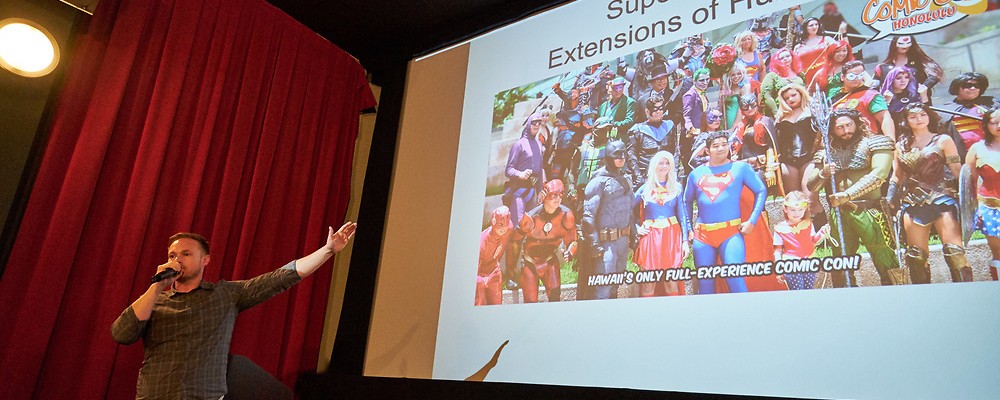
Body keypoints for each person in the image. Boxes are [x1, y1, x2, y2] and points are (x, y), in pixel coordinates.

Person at [112, 223, 357, 399]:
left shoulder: (225, 294)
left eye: (186, 254)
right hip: (156, 395)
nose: (177, 260)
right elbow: (122, 334)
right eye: (172, 255)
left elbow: (281, 277)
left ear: (205, 260)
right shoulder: (154, 300)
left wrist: (327, 251)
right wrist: (156, 287)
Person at [805, 109, 903, 287]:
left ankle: (895, 294)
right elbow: (812, 186)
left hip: (869, 210)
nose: (845, 130)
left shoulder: (876, 143)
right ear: (832, 130)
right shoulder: (826, 151)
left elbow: (878, 176)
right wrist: (823, 173)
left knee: (884, 256)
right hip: (839, 213)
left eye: (848, 125)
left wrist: (847, 194)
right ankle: (845, 298)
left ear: (857, 123)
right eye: (839, 127)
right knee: (840, 261)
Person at [889, 103, 971, 283]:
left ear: (929, 117)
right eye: (913, 116)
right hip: (912, 202)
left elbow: (958, 171)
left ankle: (966, 294)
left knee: (954, 252)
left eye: (922, 115)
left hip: (942, 199)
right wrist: (890, 199)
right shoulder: (901, 145)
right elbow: (897, 175)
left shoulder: (943, 140)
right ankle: (924, 299)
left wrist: (970, 194)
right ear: (906, 120)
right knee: (915, 257)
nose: (919, 119)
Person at [684, 131, 768, 294]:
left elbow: (761, 190)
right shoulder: (696, 174)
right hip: (703, 236)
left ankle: (744, 317)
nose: (721, 148)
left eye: (724, 144)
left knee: (735, 278)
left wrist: (752, 220)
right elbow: (686, 201)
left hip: (730, 233)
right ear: (707, 150)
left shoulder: (740, 168)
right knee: (705, 283)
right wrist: (688, 228)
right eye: (715, 146)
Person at [633, 151, 690, 296]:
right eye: (661, 163)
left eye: (667, 163)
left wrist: (684, 241)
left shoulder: (676, 187)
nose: (664, 166)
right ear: (654, 165)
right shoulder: (644, 188)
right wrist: (636, 228)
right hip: (650, 238)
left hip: (671, 237)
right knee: (648, 283)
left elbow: (683, 216)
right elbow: (626, 211)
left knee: (671, 283)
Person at [582, 140, 634, 299]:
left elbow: (629, 211)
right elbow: (587, 216)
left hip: (622, 241)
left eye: (624, 154)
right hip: (605, 244)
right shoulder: (598, 181)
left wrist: (634, 235)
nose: (622, 158)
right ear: (609, 157)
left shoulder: (626, 179)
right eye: (617, 155)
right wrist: (594, 243)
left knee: (615, 285)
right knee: (603, 288)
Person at [512, 179, 578, 302]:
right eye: (554, 195)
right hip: (530, 261)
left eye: (560, 194)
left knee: (555, 297)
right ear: (545, 196)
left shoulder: (566, 216)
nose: (557, 199)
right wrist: (521, 230)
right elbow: (514, 240)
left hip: (550, 260)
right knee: (530, 301)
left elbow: (573, 241)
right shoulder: (533, 217)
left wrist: (570, 251)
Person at [966, 107, 1000, 280]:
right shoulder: (977, 148)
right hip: (991, 207)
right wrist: (973, 209)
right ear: (986, 125)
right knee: (998, 254)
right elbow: (968, 182)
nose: (999, 125)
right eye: (994, 122)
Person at [773, 191, 830, 290]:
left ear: (805, 209)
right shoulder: (780, 228)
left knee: (809, 289)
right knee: (798, 291)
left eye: (800, 210)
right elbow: (778, 251)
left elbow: (813, 241)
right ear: (785, 209)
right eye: (793, 210)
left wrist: (822, 233)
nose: (797, 213)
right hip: (792, 264)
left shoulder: (808, 223)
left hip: (809, 261)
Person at [830, 60, 896, 140]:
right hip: (841, 143)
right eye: (852, 76)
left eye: (860, 75)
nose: (856, 79)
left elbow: (884, 118)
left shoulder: (870, 95)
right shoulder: (835, 99)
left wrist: (891, 141)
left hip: (866, 141)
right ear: (842, 77)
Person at [941, 72, 1000, 158]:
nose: (973, 88)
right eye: (968, 85)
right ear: (957, 87)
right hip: (963, 156)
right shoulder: (945, 110)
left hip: (994, 152)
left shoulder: (992, 103)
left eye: (977, 86)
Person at [775, 84, 819, 199]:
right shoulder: (781, 117)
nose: (790, 99)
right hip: (788, 160)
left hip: (809, 157)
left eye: (793, 95)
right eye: (786, 98)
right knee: (793, 198)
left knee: (810, 196)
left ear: (801, 93)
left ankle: (818, 217)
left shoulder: (812, 110)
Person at [626, 95, 676, 188]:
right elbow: (631, 154)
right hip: (646, 176)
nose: (658, 112)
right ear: (647, 111)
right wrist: (638, 176)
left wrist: (674, 171)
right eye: (655, 109)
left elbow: (675, 151)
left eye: (661, 109)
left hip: (666, 174)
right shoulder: (637, 130)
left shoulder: (669, 126)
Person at [872, 35, 943, 98]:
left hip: (919, 103)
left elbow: (935, 74)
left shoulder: (919, 61)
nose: (905, 46)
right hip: (893, 106)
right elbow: (874, 86)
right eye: (901, 43)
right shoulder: (883, 67)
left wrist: (925, 86)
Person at [477, 207, 512, 305]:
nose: (503, 228)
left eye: (506, 225)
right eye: (500, 225)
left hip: (494, 271)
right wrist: (482, 280)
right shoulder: (482, 243)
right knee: (480, 303)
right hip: (479, 275)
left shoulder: (509, 229)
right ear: (493, 222)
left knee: (496, 304)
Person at [760, 47, 804, 118]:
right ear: (777, 61)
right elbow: (767, 96)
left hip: (801, 112)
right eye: (782, 58)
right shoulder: (771, 76)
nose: (786, 59)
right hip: (782, 112)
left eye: (788, 56)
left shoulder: (800, 74)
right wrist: (776, 113)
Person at [794, 17, 836, 91]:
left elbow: (840, 52)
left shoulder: (827, 40)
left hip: (827, 74)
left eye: (816, 24)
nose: (814, 27)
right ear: (805, 28)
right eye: (811, 25)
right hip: (807, 78)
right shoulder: (798, 46)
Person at [595, 77, 638, 144]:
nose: (618, 90)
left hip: (619, 140)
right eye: (615, 88)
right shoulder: (603, 105)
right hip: (602, 139)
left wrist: (612, 124)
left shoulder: (629, 102)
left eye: (621, 87)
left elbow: (629, 121)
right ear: (609, 89)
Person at [719, 63, 753, 130]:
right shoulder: (727, 87)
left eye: (739, 74)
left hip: (738, 121)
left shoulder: (745, 87)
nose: (736, 77)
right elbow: (721, 107)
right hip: (725, 120)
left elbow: (743, 108)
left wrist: (734, 126)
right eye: (733, 75)